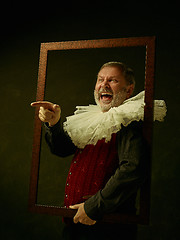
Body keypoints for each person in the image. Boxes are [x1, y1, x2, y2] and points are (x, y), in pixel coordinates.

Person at [31, 62, 166, 239]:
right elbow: (61, 149)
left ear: (129, 89)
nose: (104, 84)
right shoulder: (93, 119)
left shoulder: (128, 119)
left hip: (108, 227)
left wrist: (93, 207)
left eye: (113, 80)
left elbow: (133, 169)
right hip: (77, 222)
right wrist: (54, 124)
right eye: (100, 79)